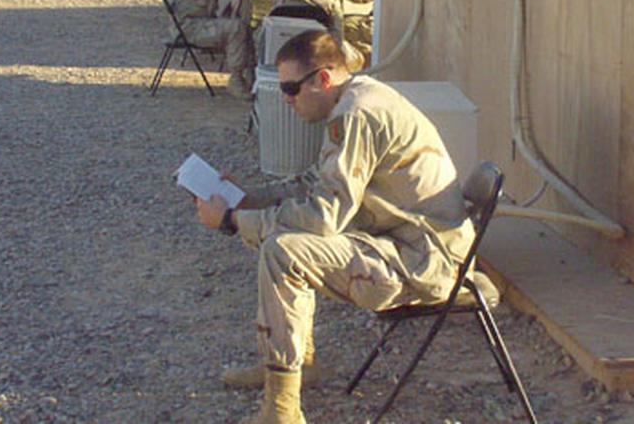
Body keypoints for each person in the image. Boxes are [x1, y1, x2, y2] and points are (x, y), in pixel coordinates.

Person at [195, 30, 488, 422]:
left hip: (423, 262)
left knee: (285, 251)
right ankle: (295, 367)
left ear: (323, 79)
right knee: (284, 239)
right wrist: (248, 198)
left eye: (291, 88)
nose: (286, 98)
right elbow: (315, 185)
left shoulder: (356, 115)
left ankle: (282, 407)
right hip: (408, 244)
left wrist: (233, 221)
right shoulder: (355, 100)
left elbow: (322, 218)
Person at [171, 0, 257, 99]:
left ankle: (249, 74)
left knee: (238, 21)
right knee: (236, 28)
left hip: (196, 23)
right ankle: (236, 80)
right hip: (191, 28)